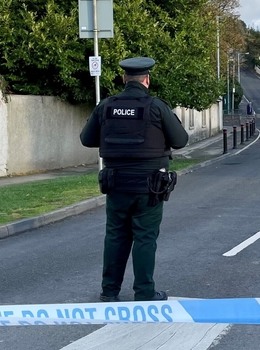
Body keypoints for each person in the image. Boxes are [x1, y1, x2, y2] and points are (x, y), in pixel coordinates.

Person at [80, 57, 189, 302]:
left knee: (116, 235)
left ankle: (109, 291)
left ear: (124, 79)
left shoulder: (107, 106)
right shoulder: (156, 107)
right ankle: (144, 292)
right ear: (147, 80)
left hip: (116, 183)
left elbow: (87, 139)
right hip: (149, 187)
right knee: (145, 237)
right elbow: (181, 140)